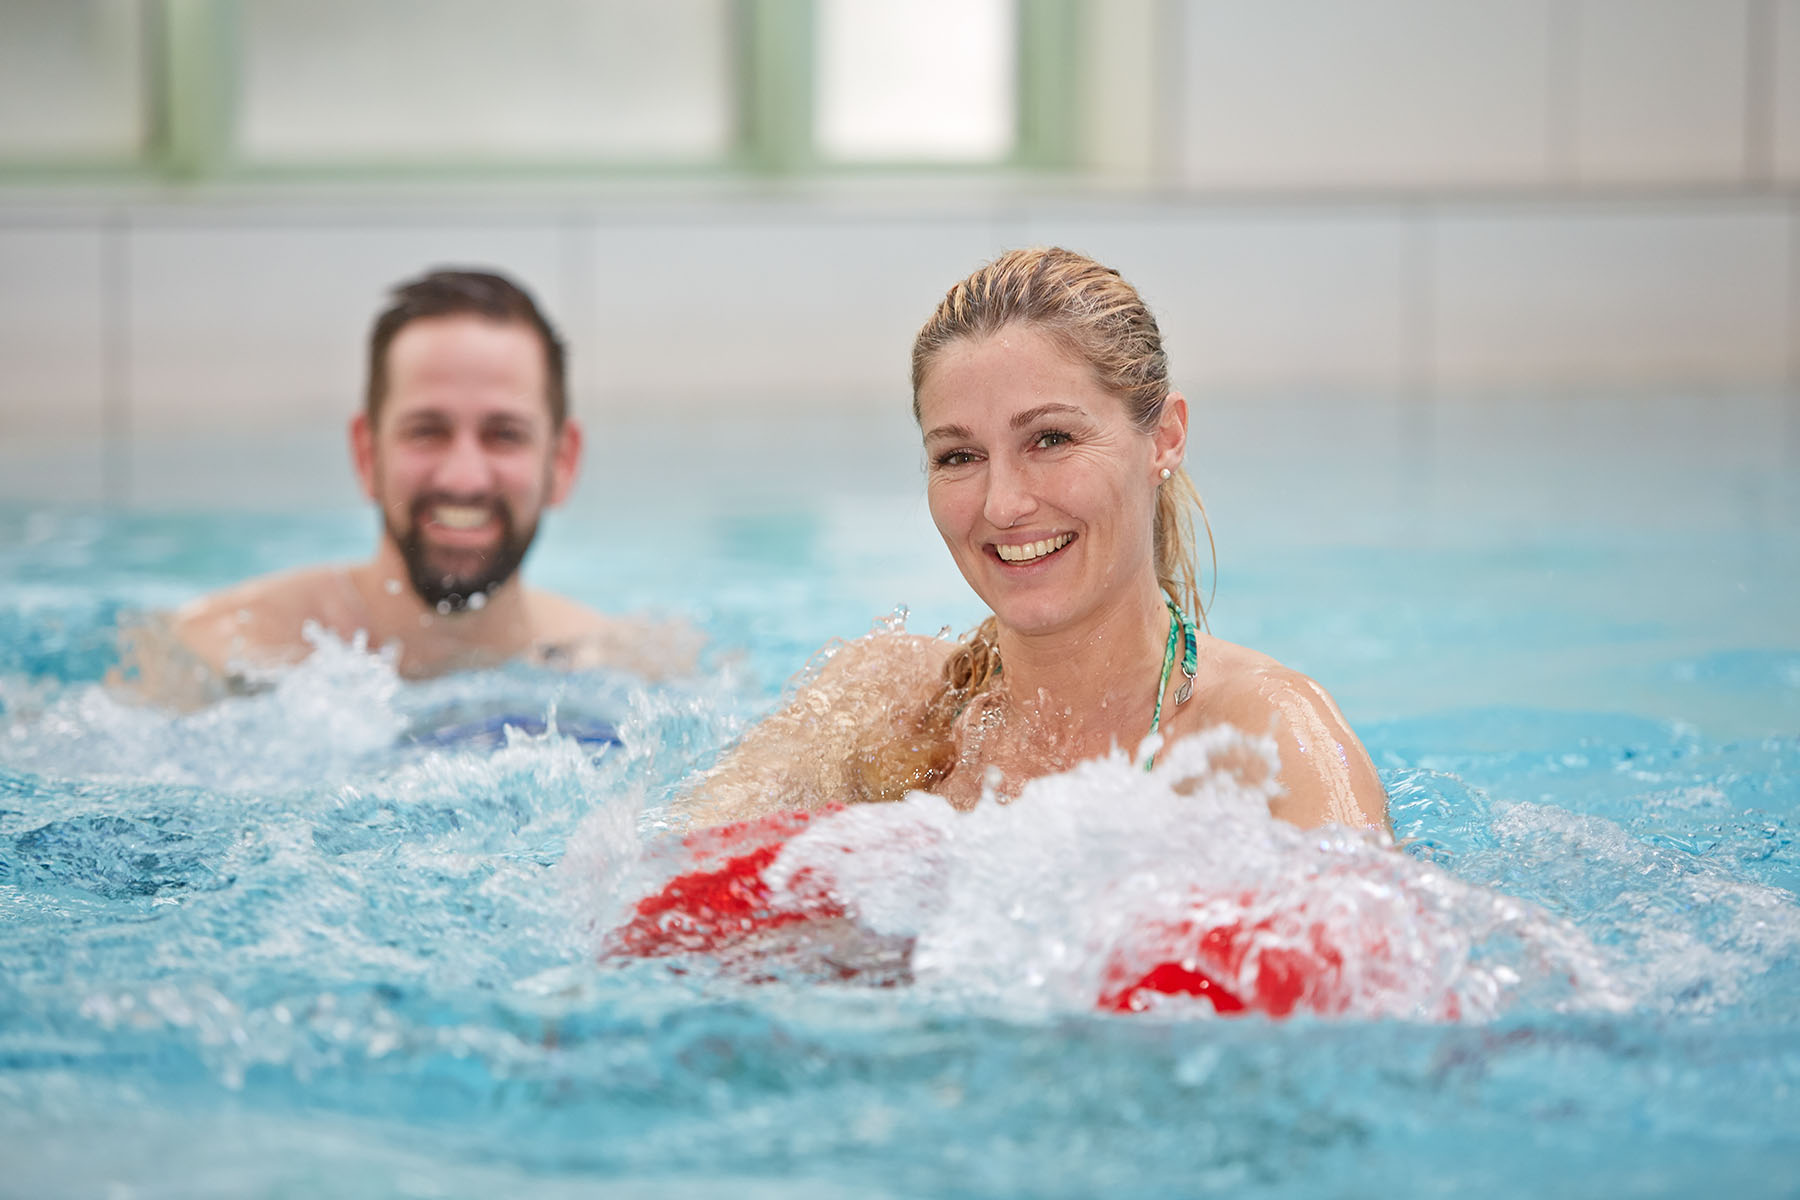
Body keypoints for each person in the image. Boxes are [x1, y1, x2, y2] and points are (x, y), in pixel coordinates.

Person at [682, 247, 1387, 832]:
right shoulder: (878, 707)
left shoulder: (1267, 742)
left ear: (1163, 438)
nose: (1004, 503)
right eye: (958, 456)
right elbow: (666, 907)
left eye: (1051, 439)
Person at [121, 268, 695, 707]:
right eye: (427, 432)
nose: (463, 478)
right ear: (367, 454)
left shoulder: (629, 674)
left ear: (562, 463)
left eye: (504, 434)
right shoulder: (212, 659)